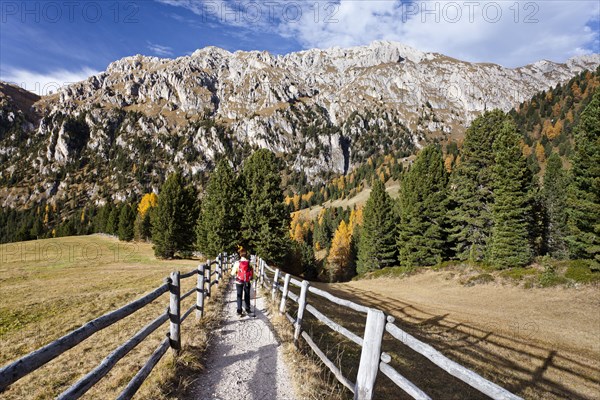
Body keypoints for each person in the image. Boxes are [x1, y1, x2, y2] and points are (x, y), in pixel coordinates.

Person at [231, 248, 253, 315]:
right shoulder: (249, 263)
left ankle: (239, 311)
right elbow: (252, 273)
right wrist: (253, 278)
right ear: (246, 254)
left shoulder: (237, 263)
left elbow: (232, 273)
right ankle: (248, 309)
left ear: (240, 255)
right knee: (247, 295)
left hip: (239, 281)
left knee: (239, 295)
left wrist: (236, 272)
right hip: (247, 281)